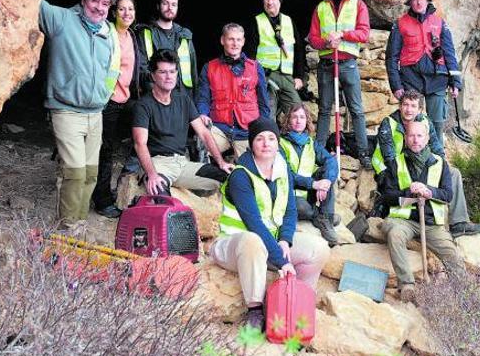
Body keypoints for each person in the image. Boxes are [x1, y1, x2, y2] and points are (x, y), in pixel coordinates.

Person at [210, 118, 330, 329]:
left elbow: (290, 210)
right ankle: (255, 311)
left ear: (278, 143)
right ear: (251, 144)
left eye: (271, 138)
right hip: (234, 247)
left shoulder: (283, 170)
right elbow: (254, 224)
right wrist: (282, 261)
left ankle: (296, 306)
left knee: (318, 248)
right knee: (253, 240)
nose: (266, 143)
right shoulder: (241, 176)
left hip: (269, 245)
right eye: (260, 139)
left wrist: (285, 240)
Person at [38, 0, 120, 229]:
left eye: (105, 3)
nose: (99, 7)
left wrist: (104, 96)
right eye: (94, 0)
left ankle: (80, 221)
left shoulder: (108, 32)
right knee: (74, 172)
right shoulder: (62, 20)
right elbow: (30, 0)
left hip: (95, 112)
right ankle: (67, 226)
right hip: (66, 109)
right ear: (83, 0)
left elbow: (112, 69)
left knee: (90, 173)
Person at [375, 121, 467, 302]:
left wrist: (428, 191)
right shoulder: (395, 163)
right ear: (405, 138)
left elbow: (448, 195)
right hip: (403, 220)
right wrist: (408, 192)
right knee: (395, 235)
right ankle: (407, 285)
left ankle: (464, 291)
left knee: (452, 254)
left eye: (419, 136)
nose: (415, 140)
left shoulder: (440, 164)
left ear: (427, 139)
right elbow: (386, 195)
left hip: (431, 223)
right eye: (411, 136)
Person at [372, 90, 480, 238]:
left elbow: (436, 145)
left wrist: (441, 164)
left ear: (420, 109)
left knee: (453, 173)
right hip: (393, 168)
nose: (408, 109)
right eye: (405, 104)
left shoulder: (424, 121)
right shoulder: (389, 123)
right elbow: (389, 156)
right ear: (400, 106)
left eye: (413, 106)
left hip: (420, 163)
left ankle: (458, 223)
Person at [132, 49, 233, 197]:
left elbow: (204, 133)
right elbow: (139, 143)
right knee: (160, 195)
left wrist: (221, 162)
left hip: (182, 163)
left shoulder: (183, 99)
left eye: (173, 72)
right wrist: (152, 174)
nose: (169, 77)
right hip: (159, 164)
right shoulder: (143, 105)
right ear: (153, 75)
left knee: (232, 178)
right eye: (163, 72)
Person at [385, 0, 463, 153]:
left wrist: (455, 81)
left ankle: (438, 160)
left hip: (438, 79)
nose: (418, 2)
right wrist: (396, 86)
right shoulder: (400, 24)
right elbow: (391, 57)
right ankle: (410, 158)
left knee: (436, 123)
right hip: (411, 79)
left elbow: (449, 53)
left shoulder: (440, 23)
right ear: (410, 3)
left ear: (428, 1)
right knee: (411, 122)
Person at [308, 0, 371, 167]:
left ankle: (363, 153)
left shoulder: (357, 4)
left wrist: (343, 35)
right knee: (325, 109)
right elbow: (313, 38)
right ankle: (318, 151)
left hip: (347, 63)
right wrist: (327, 42)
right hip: (327, 63)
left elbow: (364, 34)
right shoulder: (321, 7)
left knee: (357, 110)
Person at [91, 0, 138, 218]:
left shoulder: (132, 36)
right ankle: (102, 200)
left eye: (130, 9)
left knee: (136, 140)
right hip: (107, 100)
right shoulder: (106, 33)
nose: (126, 13)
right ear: (114, 12)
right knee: (106, 150)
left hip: (125, 99)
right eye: (121, 9)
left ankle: (121, 190)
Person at [196, 23, 271, 161]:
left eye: (238, 39)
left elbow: (264, 102)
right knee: (201, 147)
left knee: (249, 169)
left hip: (247, 129)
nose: (235, 43)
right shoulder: (209, 67)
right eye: (231, 39)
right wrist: (202, 113)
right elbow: (203, 98)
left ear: (243, 42)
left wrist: (263, 128)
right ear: (222, 40)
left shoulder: (254, 67)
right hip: (219, 127)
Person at [278, 103, 340, 245]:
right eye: (294, 117)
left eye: (302, 117)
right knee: (300, 207)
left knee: (327, 172)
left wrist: (326, 183)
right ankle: (324, 217)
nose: (298, 121)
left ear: (307, 121)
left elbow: (330, 161)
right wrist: (313, 184)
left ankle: (324, 218)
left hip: (308, 194)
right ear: (288, 120)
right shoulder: (280, 143)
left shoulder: (310, 143)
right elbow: (287, 175)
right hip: (289, 194)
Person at [244, 0, 306, 117]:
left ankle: (294, 138)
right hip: (266, 76)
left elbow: (299, 50)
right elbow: (250, 53)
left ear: (280, 1)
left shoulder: (289, 21)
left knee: (297, 113)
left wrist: (299, 76)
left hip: (287, 77)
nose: (269, 1)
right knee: (268, 114)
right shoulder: (256, 21)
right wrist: (253, 77)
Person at [136, 0, 198, 97]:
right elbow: (141, 68)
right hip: (155, 96)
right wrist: (154, 92)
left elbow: (193, 71)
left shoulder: (184, 35)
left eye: (174, 5)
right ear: (158, 6)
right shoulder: (146, 33)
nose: (170, 8)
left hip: (182, 97)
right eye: (165, 3)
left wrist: (194, 100)